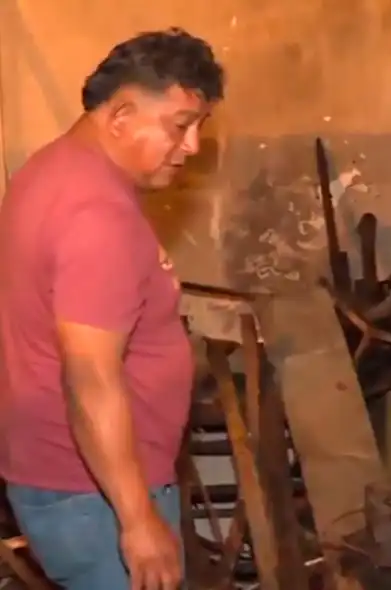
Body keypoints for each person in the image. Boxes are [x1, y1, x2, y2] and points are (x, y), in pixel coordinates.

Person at [0, 28, 224, 590]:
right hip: (96, 499)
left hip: (62, 483)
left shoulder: (48, 171)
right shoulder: (99, 216)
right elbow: (90, 377)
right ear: (122, 115)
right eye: (180, 126)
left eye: (199, 128)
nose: (192, 146)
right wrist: (137, 520)